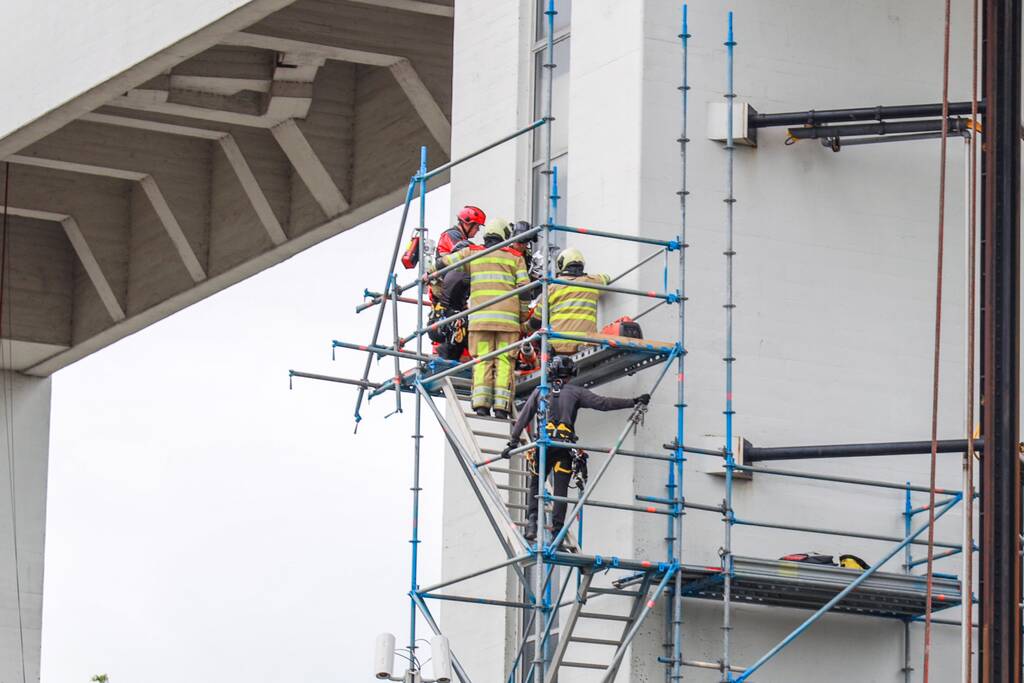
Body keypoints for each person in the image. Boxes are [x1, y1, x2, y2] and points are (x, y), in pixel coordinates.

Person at [502, 355, 650, 544]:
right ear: (570, 374)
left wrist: (512, 443)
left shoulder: (539, 392)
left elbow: (523, 417)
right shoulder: (575, 392)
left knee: (535, 484)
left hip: (543, 446)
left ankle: (532, 523)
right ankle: (556, 533)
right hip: (564, 447)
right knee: (560, 490)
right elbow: (603, 404)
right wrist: (634, 401)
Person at [440, 218, 530, 418]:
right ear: (505, 236)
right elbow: (525, 292)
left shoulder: (472, 253)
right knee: (505, 361)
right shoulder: (515, 257)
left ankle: (481, 404)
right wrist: (523, 318)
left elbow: (444, 262)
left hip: (480, 324)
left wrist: (428, 274)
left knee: (482, 360)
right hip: (508, 324)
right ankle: (501, 407)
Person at [548, 247, 612, 355]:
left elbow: (537, 319)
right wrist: (591, 277)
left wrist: (526, 326)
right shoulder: (593, 283)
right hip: (585, 345)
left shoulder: (552, 287)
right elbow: (607, 278)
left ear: (561, 265)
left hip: (557, 346)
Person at [430, 205, 487, 301]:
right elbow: (463, 253)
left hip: (453, 288)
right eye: (477, 226)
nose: (478, 230)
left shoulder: (460, 237)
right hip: (446, 288)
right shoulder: (452, 235)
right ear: (468, 223)